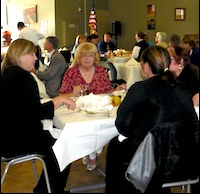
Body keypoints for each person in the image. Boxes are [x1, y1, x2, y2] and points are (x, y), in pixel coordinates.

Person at [105, 45, 199, 194]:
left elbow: (122, 126)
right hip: (181, 163)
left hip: (147, 164)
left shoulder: (139, 89)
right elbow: (192, 123)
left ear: (146, 65)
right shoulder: (182, 89)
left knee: (115, 145)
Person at [1, 38, 76, 193]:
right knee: (65, 146)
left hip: (8, 135)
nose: (36, 58)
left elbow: (24, 109)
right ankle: (51, 189)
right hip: (16, 140)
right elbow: (34, 114)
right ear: (19, 56)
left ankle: (46, 188)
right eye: (32, 54)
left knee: (57, 140)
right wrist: (58, 100)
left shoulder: (7, 74)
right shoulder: (21, 78)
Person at [59, 42, 126, 171]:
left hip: (98, 110)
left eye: (91, 55)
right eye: (84, 55)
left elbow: (107, 91)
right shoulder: (71, 72)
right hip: (78, 110)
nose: (88, 58)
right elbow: (62, 95)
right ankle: (91, 152)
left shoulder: (101, 71)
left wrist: (117, 89)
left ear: (95, 57)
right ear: (78, 57)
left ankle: (92, 151)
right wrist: (73, 92)